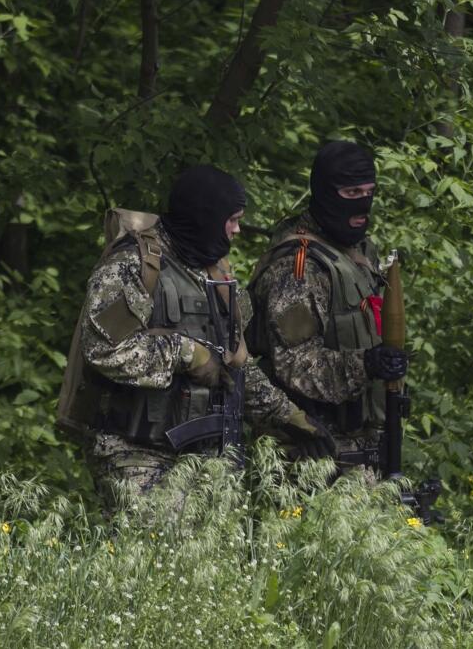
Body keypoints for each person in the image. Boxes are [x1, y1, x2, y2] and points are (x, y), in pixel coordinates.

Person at [78, 165, 333, 509]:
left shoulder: (215, 274)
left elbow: (236, 367)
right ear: (206, 216)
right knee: (157, 553)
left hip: (208, 459)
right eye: (232, 219)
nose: (237, 230)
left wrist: (289, 417)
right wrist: (186, 353)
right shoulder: (132, 266)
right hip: (134, 452)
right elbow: (104, 349)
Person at [246, 141, 407, 463]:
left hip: (362, 446)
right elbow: (295, 363)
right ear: (324, 192)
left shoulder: (359, 253)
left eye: (369, 192)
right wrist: (367, 364)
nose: (363, 205)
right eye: (351, 194)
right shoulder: (298, 267)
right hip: (310, 450)